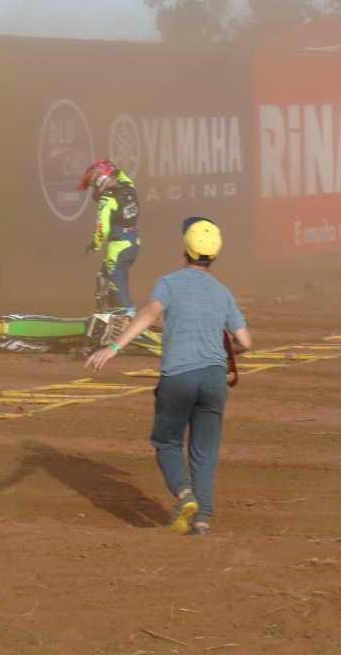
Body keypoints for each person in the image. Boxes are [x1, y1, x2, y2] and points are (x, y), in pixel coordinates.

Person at [85, 217, 251, 536]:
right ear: (215, 256)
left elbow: (149, 313)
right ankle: (202, 522)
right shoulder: (223, 293)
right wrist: (226, 356)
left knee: (166, 442)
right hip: (214, 379)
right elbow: (245, 341)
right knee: (204, 452)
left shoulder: (170, 282)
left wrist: (114, 348)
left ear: (183, 250)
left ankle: (184, 494)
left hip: (178, 377)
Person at [78, 158, 140, 316]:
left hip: (118, 248)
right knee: (103, 275)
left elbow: (102, 229)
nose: (95, 191)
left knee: (116, 282)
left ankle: (129, 316)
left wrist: (95, 245)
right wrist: (113, 168)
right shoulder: (130, 187)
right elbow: (123, 176)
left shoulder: (107, 200)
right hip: (133, 243)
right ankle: (105, 313)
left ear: (101, 181)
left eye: (94, 186)